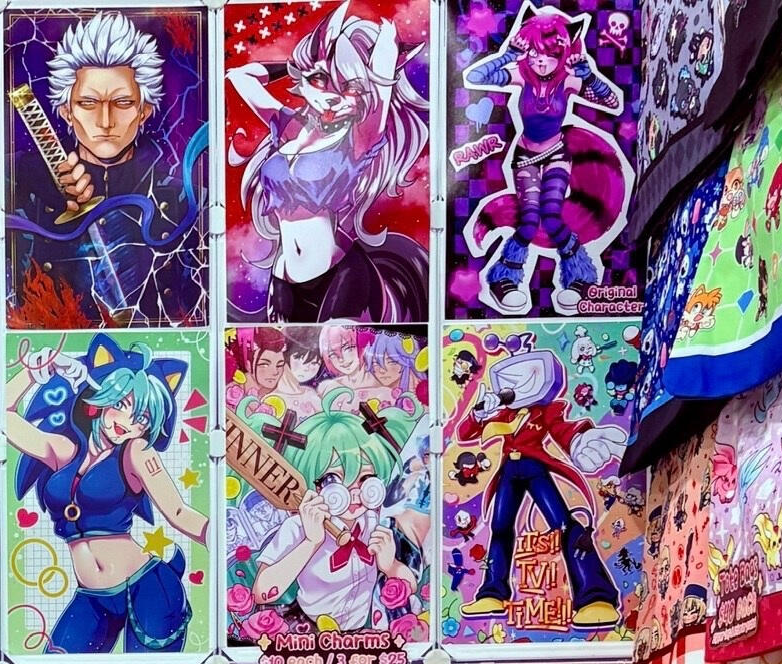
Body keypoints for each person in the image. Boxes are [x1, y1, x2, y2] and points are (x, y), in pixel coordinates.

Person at [5, 332, 207, 654]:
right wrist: (35, 371)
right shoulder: (64, 450)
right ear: (101, 400)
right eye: (121, 405)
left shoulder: (136, 451)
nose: (128, 422)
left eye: (141, 418)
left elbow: (178, 511)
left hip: (148, 588)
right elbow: (2, 416)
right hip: (92, 597)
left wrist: (216, 537)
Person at [230, 3, 427, 323]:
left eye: (349, 87)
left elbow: (379, 89)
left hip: (339, 274)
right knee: (281, 355)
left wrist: (383, 55)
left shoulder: (357, 139)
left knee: (333, 353)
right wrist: (298, 66)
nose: (332, 95)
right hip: (283, 276)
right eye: (322, 80)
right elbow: (241, 76)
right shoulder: (289, 128)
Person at [11, 11, 201, 326]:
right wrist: (31, 177)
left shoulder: (180, 195)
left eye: (122, 103)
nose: (105, 121)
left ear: (144, 110)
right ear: (66, 111)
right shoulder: (32, 190)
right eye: (88, 104)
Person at [460, 5, 630, 315]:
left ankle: (580, 278)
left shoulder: (567, 80)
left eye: (550, 55)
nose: (541, 60)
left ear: (562, 54)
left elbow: (611, 100)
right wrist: (509, 55)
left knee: (551, 216)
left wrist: (589, 76)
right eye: (535, 52)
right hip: (526, 157)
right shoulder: (520, 75)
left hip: (557, 155)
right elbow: (474, 76)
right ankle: (504, 279)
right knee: (528, 221)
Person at [450, 344, 623, 625]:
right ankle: (492, 592)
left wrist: (579, 442)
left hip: (534, 468)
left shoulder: (544, 410)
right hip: (509, 471)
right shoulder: (504, 413)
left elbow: (562, 429)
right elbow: (465, 433)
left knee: (563, 525)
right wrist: (479, 412)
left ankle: (595, 595)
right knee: (500, 528)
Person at [248, 392, 419, 636]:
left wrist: (390, 566)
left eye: (365, 478)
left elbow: (410, 585)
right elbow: (262, 592)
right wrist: (311, 542)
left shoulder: (372, 522)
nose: (354, 492)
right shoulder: (299, 527)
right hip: (307, 631)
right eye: (333, 480)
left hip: (362, 635)